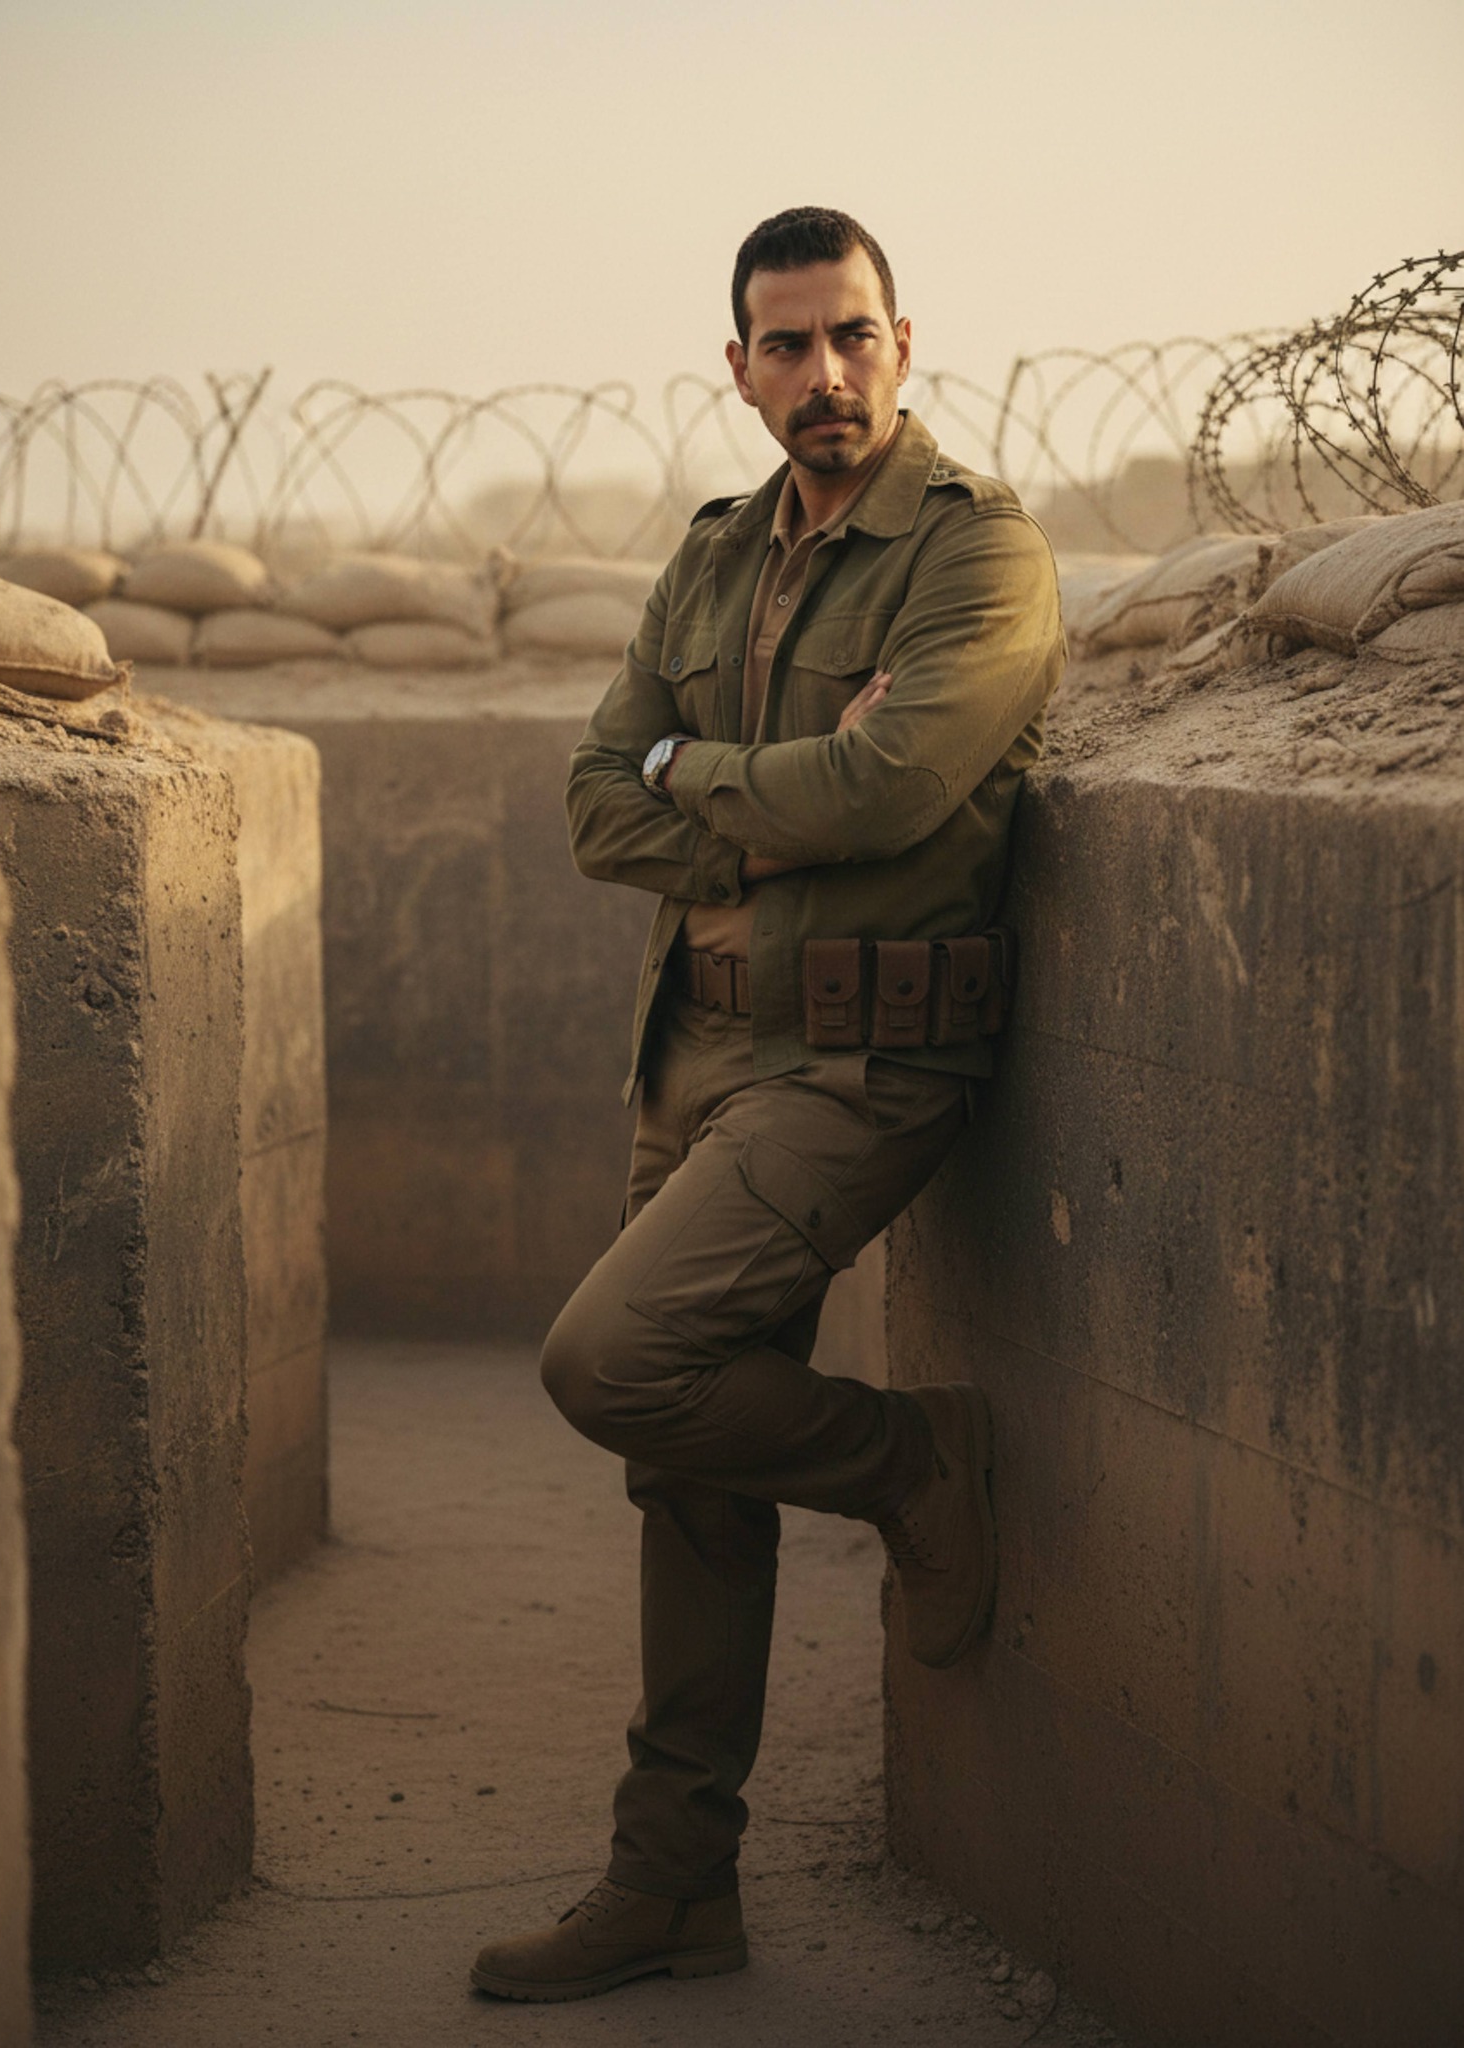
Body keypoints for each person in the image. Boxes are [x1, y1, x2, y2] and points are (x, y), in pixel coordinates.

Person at [470, 205, 1063, 2004]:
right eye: (786, 347)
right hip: (697, 1046)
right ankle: (674, 1887)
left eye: (852, 338)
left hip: (865, 1063)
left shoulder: (978, 557)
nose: (825, 377)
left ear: (905, 342)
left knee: (613, 1365)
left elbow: (888, 791)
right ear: (738, 369)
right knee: (685, 1458)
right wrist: (746, 782)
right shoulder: (718, 561)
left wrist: (692, 772)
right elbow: (592, 801)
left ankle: (912, 1459)